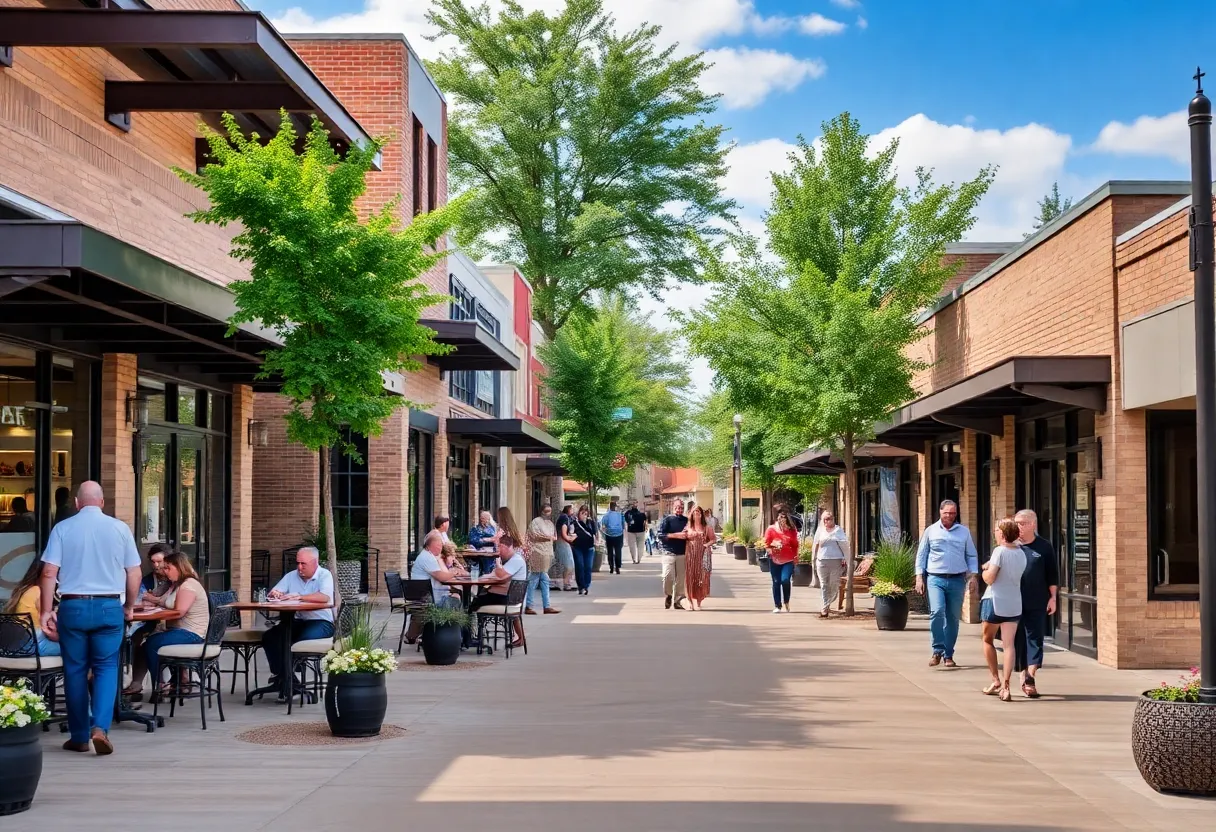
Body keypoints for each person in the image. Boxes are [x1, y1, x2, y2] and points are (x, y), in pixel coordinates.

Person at [38, 481, 141, 756]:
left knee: (74, 670)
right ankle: (100, 729)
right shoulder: (120, 529)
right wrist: (129, 605)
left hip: (73, 606)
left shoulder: (63, 528)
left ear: (77, 502)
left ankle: (79, 736)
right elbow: (134, 573)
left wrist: (46, 610)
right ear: (103, 502)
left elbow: (49, 572)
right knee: (107, 667)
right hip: (109, 605)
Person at [261, 546, 334, 698]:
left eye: (303, 564)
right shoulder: (291, 576)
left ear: (315, 562)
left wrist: (299, 596)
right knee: (271, 637)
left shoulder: (324, 575)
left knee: (297, 641)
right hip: (297, 620)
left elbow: (324, 597)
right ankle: (284, 677)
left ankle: (291, 678)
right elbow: (275, 593)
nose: (299, 567)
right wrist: (276, 594)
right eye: (298, 563)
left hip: (321, 622)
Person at [914, 500, 979, 668]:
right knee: (937, 611)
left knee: (952, 618)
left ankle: (948, 654)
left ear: (956, 514)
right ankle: (937, 650)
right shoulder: (931, 531)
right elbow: (921, 555)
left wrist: (973, 577)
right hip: (935, 578)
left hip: (957, 579)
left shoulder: (963, 532)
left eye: (952, 513)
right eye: (946, 513)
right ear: (940, 512)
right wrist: (919, 577)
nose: (949, 516)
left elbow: (971, 555)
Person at [137, 551, 210, 698]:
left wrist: (158, 610)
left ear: (179, 567)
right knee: (145, 645)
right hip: (179, 631)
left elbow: (179, 611)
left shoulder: (188, 585)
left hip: (192, 634)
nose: (164, 571)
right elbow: (164, 601)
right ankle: (169, 681)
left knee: (152, 643)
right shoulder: (176, 585)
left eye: (168, 568)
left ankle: (161, 685)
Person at [1013, 509, 1059, 698]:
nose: (1018, 527)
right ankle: (1023, 673)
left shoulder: (1044, 547)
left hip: (1038, 600)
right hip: (1014, 601)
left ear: (1033, 524)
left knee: (1035, 638)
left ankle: (1030, 677)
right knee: (1018, 640)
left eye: (1022, 523)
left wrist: (1053, 597)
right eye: (1016, 523)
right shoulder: (1012, 546)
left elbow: (1052, 575)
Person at [980, 518, 1028, 701]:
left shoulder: (999, 551)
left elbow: (990, 578)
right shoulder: (1021, 554)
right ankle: (1007, 686)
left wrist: (984, 571)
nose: (995, 533)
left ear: (1001, 533)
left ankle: (995, 679)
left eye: (996, 530)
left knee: (987, 640)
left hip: (995, 601)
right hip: (1014, 603)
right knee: (1009, 645)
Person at [469, 533, 528, 649]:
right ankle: (473, 636)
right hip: (512, 599)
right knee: (481, 596)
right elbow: (502, 577)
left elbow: (501, 576)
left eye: (498, 547)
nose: (497, 551)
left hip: (509, 600)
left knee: (473, 604)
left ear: (504, 546)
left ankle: (471, 637)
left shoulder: (516, 560)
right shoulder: (514, 560)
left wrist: (497, 565)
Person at [404, 532, 463, 644]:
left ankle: (418, 635)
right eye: (439, 545)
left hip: (422, 595)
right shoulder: (428, 558)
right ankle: (452, 636)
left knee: (455, 594)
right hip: (427, 598)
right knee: (456, 598)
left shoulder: (427, 556)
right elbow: (441, 577)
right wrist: (454, 572)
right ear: (431, 545)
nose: (441, 548)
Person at [3, 555, 60, 656]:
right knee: (78, 650)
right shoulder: (37, 591)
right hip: (33, 644)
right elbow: (48, 627)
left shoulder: (26, 590)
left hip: (17, 645)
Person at [812, 510, 850, 618]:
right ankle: (825, 607)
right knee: (824, 585)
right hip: (822, 560)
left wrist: (844, 558)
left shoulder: (838, 530)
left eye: (829, 518)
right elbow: (816, 545)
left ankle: (827, 603)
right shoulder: (820, 531)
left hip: (836, 560)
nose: (827, 521)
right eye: (825, 519)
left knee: (834, 585)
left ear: (833, 519)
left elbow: (845, 545)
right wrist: (814, 559)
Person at [526, 505, 561, 615]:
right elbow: (534, 535)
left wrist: (551, 538)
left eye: (550, 511)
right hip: (537, 553)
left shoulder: (550, 524)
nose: (548, 513)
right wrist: (548, 537)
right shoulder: (535, 522)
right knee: (534, 579)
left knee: (544, 579)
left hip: (546, 554)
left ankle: (546, 605)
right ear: (541, 511)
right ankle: (529, 605)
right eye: (546, 511)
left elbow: (553, 536)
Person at [763, 510, 799, 613]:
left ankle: (786, 601)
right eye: (780, 518)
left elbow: (795, 545)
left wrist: (796, 556)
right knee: (776, 581)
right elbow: (766, 543)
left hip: (788, 559)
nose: (781, 520)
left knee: (785, 580)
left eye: (783, 518)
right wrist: (771, 549)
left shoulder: (791, 530)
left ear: (787, 519)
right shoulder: (771, 529)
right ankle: (777, 605)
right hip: (774, 559)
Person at [657, 499, 689, 610]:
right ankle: (668, 594)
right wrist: (676, 535)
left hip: (682, 553)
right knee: (667, 576)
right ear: (673, 507)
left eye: (681, 507)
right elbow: (660, 535)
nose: (679, 509)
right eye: (677, 507)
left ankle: (678, 600)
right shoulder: (667, 520)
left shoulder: (687, 521)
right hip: (668, 552)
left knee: (680, 578)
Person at [683, 505, 716, 611]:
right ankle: (689, 601)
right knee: (689, 578)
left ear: (701, 515)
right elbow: (682, 537)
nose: (696, 515)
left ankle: (698, 601)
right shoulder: (687, 528)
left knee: (701, 578)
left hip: (702, 556)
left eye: (698, 513)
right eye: (694, 513)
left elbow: (713, 539)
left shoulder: (707, 528)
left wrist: (706, 545)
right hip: (690, 556)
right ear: (691, 515)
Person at [570, 505, 598, 596]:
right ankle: (581, 586)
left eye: (586, 513)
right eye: (582, 513)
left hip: (589, 548)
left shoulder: (591, 522)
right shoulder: (574, 523)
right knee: (580, 566)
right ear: (579, 513)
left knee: (588, 567)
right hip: (578, 547)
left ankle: (586, 585)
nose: (584, 515)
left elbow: (594, 533)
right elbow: (571, 533)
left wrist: (596, 541)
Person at [468, 511, 500, 575]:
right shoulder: (475, 529)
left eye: (488, 519)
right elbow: (472, 541)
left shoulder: (491, 529)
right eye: (486, 519)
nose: (488, 521)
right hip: (480, 554)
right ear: (481, 519)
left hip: (492, 553)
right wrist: (486, 540)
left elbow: (496, 539)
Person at [554, 504, 577, 591]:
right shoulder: (565, 518)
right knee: (569, 564)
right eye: (572, 509)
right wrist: (571, 538)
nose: (573, 510)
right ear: (568, 509)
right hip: (563, 543)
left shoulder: (564, 517)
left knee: (568, 564)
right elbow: (564, 533)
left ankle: (566, 583)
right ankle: (566, 584)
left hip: (562, 542)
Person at [601, 500, 625, 574]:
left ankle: (611, 567)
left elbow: (603, 525)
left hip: (609, 535)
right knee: (618, 551)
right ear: (615, 507)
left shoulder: (606, 515)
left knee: (610, 551)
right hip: (619, 534)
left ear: (609, 507)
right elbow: (623, 524)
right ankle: (617, 567)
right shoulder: (620, 515)